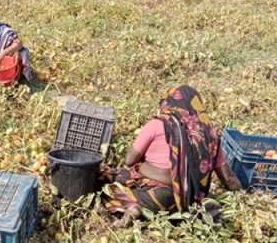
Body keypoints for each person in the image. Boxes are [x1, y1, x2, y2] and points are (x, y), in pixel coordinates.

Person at [102, 85, 241, 224]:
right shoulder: (210, 134)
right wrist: (243, 191)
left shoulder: (158, 124)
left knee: (107, 188)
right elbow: (228, 179)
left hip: (156, 196)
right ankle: (193, 211)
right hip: (186, 201)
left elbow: (129, 160)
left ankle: (135, 208)